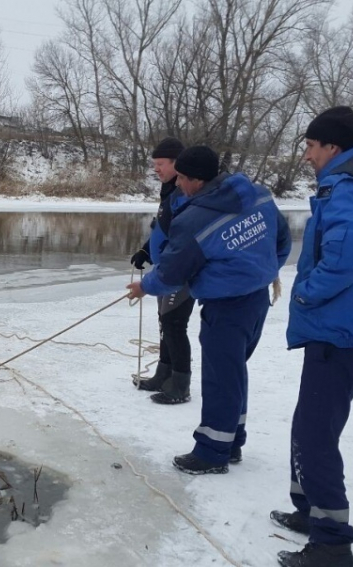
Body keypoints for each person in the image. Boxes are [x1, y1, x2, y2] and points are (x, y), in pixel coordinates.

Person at [272, 106, 353, 567]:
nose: (306, 155)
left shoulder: (345, 188)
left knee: (314, 434)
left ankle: (331, 544)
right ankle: (309, 511)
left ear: (332, 147)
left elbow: (349, 257)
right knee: (314, 424)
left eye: (310, 146)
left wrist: (306, 293)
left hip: (339, 329)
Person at [126, 145, 291, 474]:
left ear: (196, 180)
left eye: (183, 179)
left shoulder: (197, 218)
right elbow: (283, 241)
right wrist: (261, 273)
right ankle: (231, 441)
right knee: (233, 373)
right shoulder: (256, 195)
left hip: (227, 305)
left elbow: (173, 273)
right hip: (256, 300)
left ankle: (213, 452)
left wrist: (144, 287)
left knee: (220, 378)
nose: (179, 186)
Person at [130, 137, 196, 403]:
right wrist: (147, 250)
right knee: (165, 324)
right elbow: (164, 228)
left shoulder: (185, 193)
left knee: (174, 324)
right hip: (164, 268)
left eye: (160, 164)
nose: (156, 169)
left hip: (178, 271)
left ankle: (181, 386)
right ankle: (163, 375)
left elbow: (184, 236)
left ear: (176, 164)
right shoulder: (169, 190)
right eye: (154, 164)